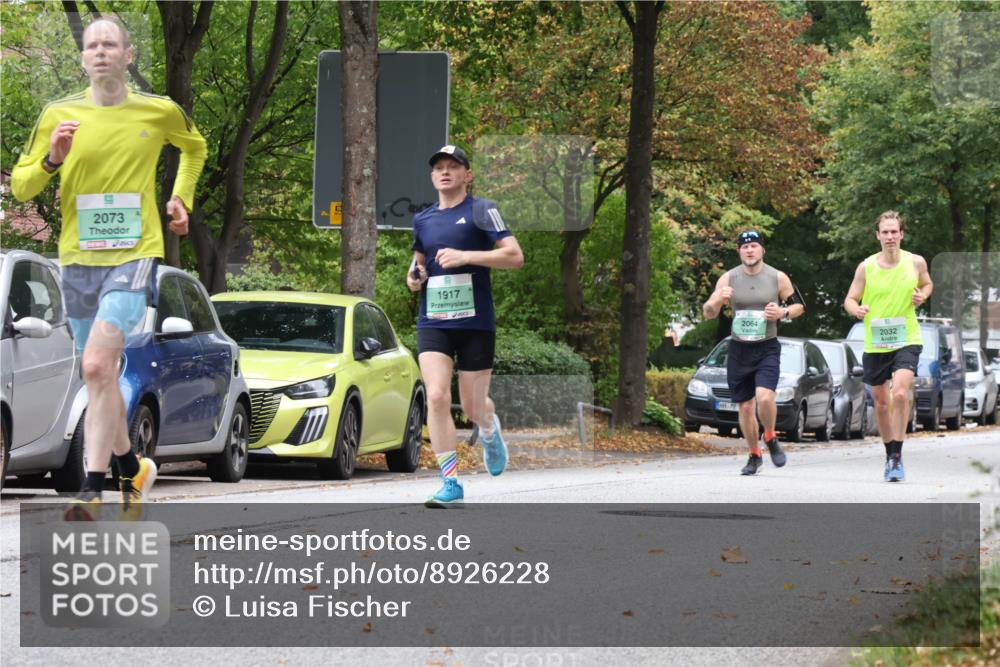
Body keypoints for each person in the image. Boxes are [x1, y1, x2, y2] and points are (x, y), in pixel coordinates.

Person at [10, 17, 207, 518]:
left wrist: (180, 198)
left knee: (98, 366)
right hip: (78, 259)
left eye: (109, 44)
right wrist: (52, 158)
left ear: (128, 55)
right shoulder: (60, 114)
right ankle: (131, 465)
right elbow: (21, 188)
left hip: (135, 253)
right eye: (91, 45)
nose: (100, 51)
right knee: (98, 378)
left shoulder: (158, 110)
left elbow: (195, 147)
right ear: (82, 58)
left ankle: (92, 491)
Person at [406, 145, 524, 507]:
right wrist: (413, 277)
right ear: (432, 176)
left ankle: (488, 428)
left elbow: (515, 256)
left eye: (452, 167)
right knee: (438, 396)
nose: (445, 172)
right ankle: (450, 483)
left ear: (466, 175)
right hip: (435, 320)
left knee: (472, 408)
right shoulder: (423, 219)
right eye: (438, 167)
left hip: (475, 321)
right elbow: (417, 265)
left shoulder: (481, 209)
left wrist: (466, 257)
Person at [703, 230, 805, 475]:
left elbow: (799, 306)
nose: (749, 250)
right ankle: (754, 455)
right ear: (739, 251)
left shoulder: (777, 277)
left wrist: (783, 313)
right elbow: (708, 312)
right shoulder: (728, 278)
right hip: (739, 349)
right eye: (744, 246)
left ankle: (770, 435)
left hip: (766, 346)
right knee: (746, 407)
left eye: (754, 246)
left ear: (762, 250)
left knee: (765, 397)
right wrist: (718, 300)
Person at [844, 211, 932, 482]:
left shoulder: (915, 262)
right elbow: (849, 298)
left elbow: (927, 284)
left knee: (901, 394)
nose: (891, 237)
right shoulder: (866, 267)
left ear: (901, 234)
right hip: (876, 341)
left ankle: (897, 455)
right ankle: (888, 452)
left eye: (895, 232)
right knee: (881, 403)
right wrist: (856, 310)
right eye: (886, 232)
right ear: (878, 235)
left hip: (907, 338)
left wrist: (922, 296)